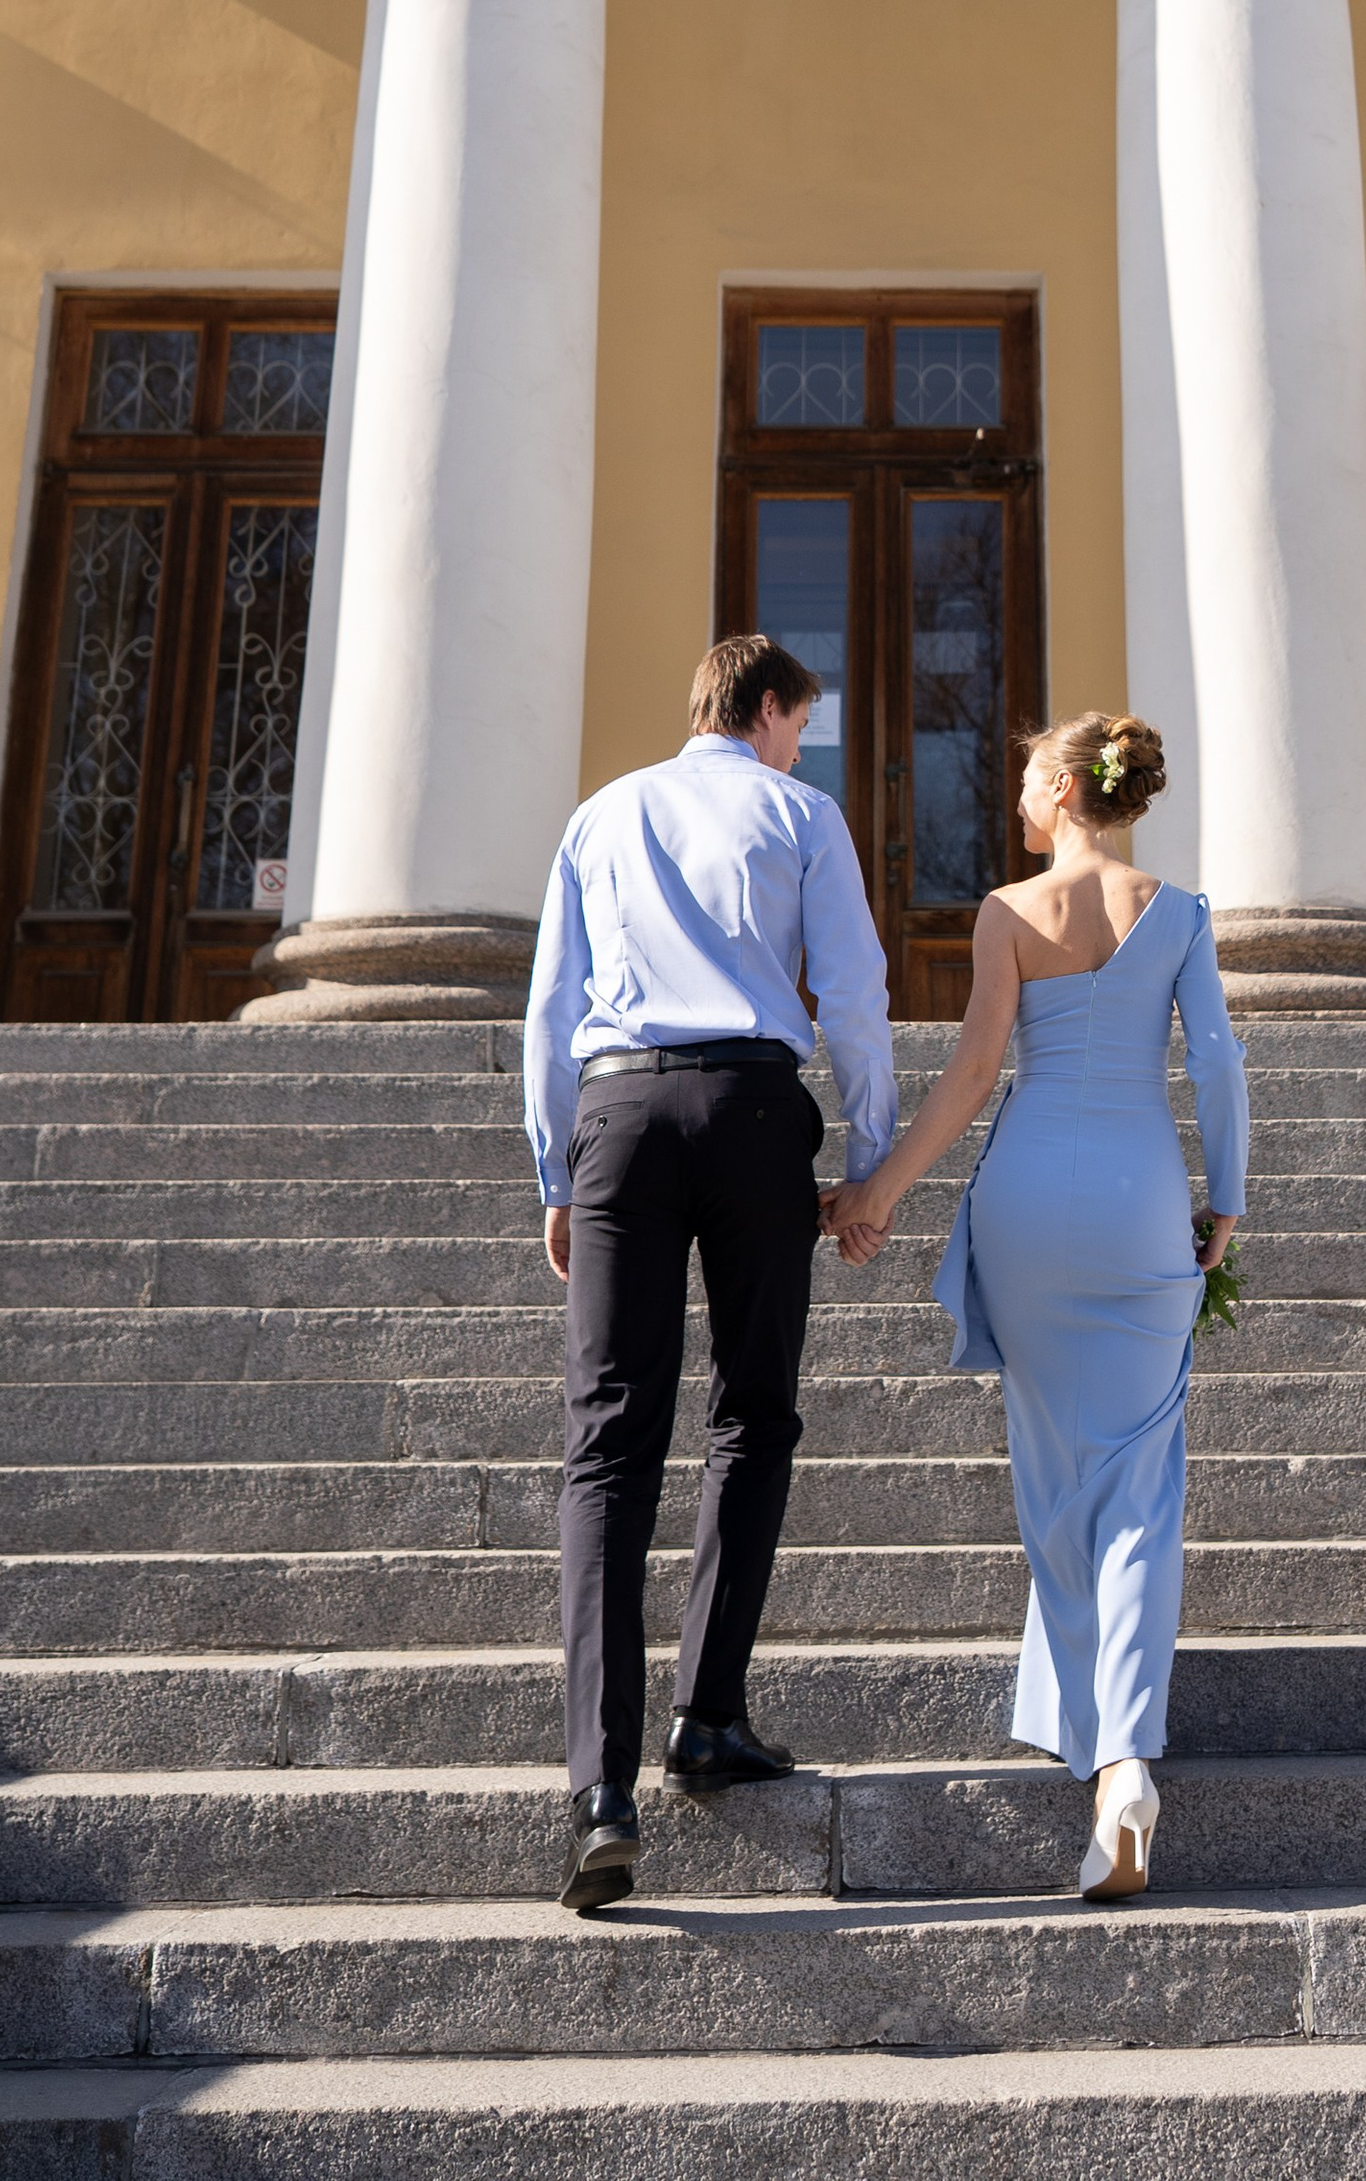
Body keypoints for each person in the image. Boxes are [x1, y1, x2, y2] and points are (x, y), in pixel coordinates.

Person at [824, 708, 1246, 1902]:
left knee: (1058, 1480)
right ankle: (1122, 1763)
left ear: (1064, 790)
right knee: (1139, 1485)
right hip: (1138, 1203)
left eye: (1022, 782)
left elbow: (970, 1073)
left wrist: (877, 1194)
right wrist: (1231, 1199)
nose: (1013, 799)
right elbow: (1214, 1059)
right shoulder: (1182, 912)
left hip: (1026, 1205)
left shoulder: (1008, 914)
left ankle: (1101, 1757)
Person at [523, 632, 897, 1917]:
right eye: (802, 720)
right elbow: (852, 996)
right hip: (749, 1111)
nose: (804, 741)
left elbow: (552, 1001)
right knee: (754, 1413)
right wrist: (871, 1160)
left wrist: (556, 1174)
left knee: (607, 1441)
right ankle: (708, 1713)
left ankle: (598, 1791)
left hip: (619, 1114)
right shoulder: (799, 811)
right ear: (772, 709)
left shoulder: (601, 812)